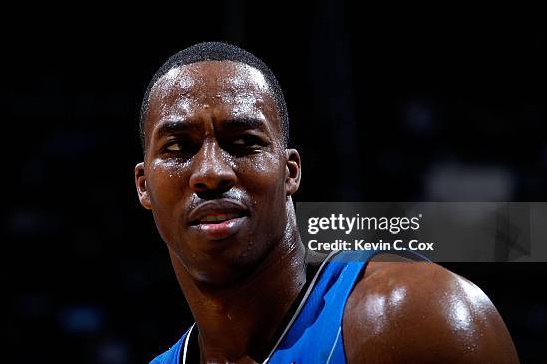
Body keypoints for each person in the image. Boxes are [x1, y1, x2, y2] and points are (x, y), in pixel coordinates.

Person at [135, 42, 519, 363]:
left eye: (244, 143)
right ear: (144, 186)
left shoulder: (412, 315)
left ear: (291, 173)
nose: (212, 171)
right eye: (179, 147)